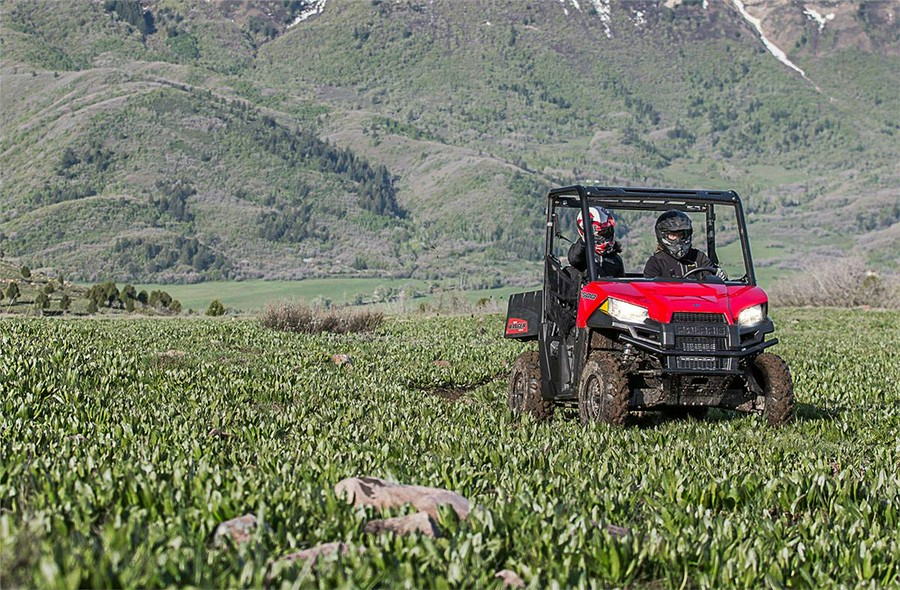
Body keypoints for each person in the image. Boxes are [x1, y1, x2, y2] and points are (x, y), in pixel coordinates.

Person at [643, 210, 728, 280]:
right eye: (673, 236)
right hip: (667, 300)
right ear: (663, 236)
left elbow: (714, 283)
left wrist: (719, 277)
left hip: (698, 299)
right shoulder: (656, 262)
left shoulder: (699, 257)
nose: (678, 240)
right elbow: (651, 291)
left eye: (681, 235)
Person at [567, 206, 625, 278]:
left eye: (607, 231)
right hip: (584, 289)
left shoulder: (616, 259)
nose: (605, 236)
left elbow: (621, 284)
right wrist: (584, 241)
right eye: (601, 233)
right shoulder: (583, 256)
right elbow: (574, 259)